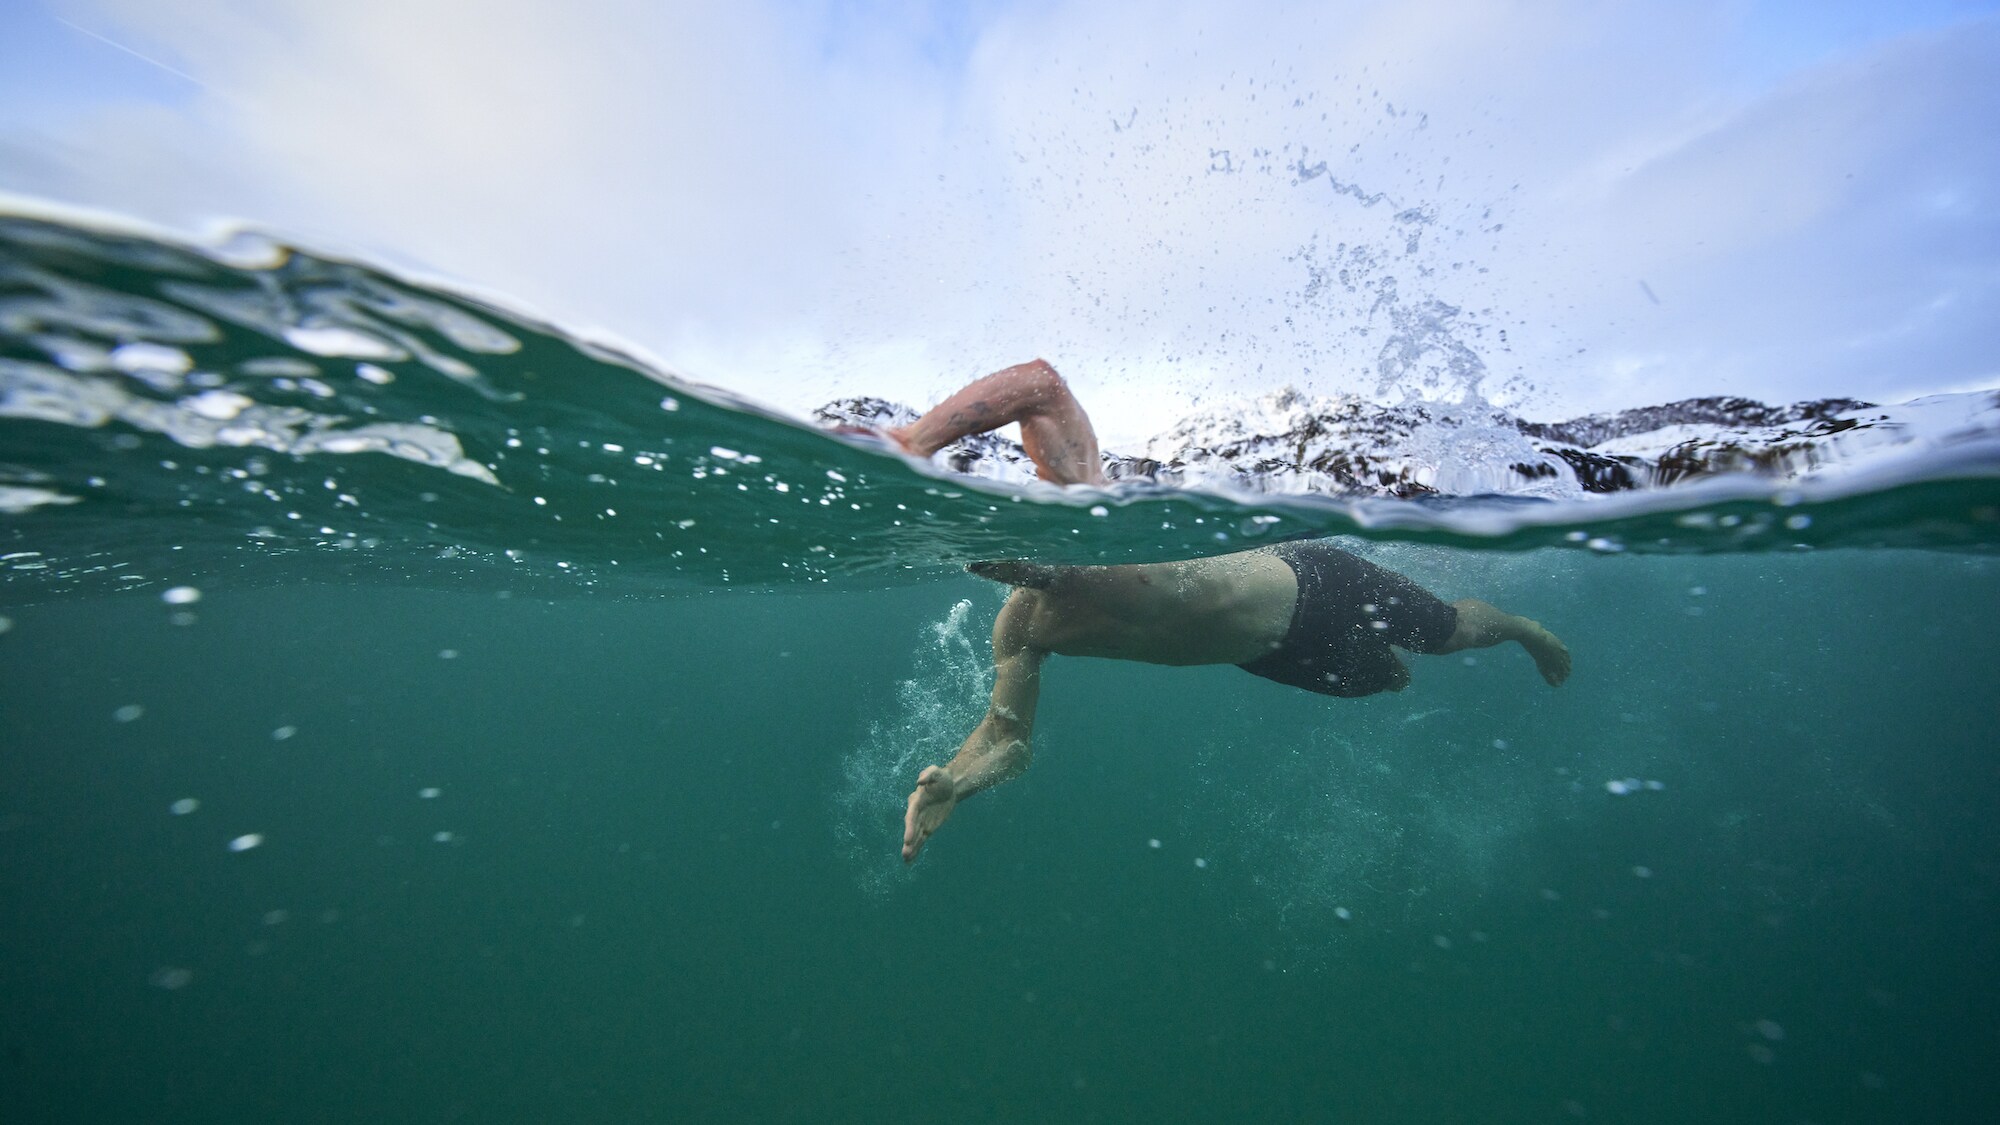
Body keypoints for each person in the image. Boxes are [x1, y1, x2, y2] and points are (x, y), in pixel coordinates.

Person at [875, 361, 1572, 864]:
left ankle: (1519, 629)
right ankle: (1422, 660)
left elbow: (1041, 384)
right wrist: (958, 785)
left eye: (1006, 541)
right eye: (987, 560)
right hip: (1268, 650)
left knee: (1445, 634)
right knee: (1390, 680)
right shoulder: (1023, 626)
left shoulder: (1087, 503)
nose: (1005, 561)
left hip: (1312, 581)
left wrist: (915, 441)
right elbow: (1010, 741)